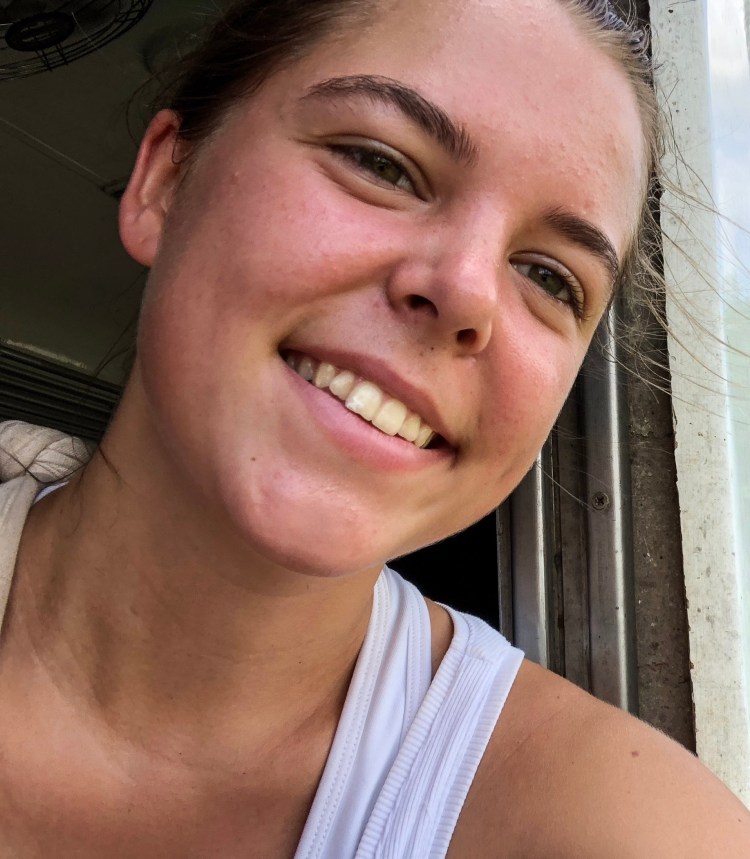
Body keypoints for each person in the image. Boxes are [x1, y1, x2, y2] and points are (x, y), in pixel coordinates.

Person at [0, 0, 748, 855]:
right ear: (164, 183)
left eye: (550, 277)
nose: (466, 292)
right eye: (381, 164)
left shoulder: (626, 829)